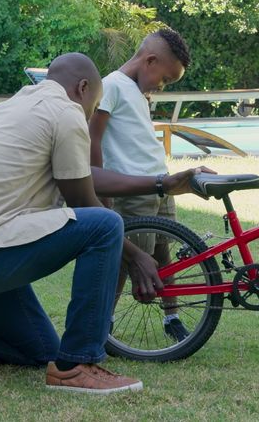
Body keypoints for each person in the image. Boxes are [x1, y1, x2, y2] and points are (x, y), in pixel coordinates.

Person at [0, 53, 211, 395]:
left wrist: (161, 183)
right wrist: (137, 256)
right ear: (83, 89)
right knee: (106, 223)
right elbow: (83, 200)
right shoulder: (66, 112)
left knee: (39, 349)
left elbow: (84, 179)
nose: (89, 116)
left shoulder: (14, 105)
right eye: (93, 105)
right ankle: (77, 366)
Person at [88, 29, 191, 342]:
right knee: (126, 260)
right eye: (165, 79)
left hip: (159, 186)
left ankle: (171, 317)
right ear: (150, 61)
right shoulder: (111, 86)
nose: (161, 87)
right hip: (132, 192)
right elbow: (94, 139)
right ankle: (103, 324)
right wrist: (102, 193)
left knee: (163, 254)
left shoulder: (136, 91)